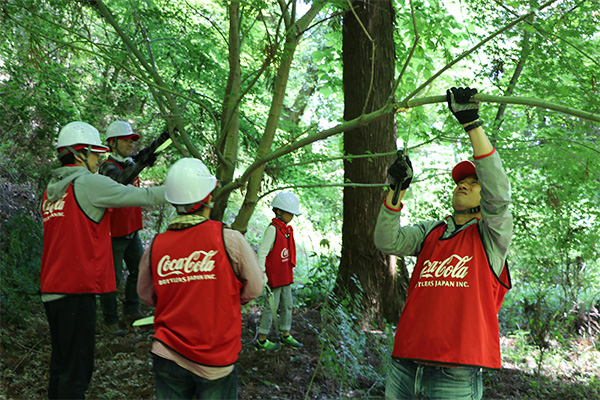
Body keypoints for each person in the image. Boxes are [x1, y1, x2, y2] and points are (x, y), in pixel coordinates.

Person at [374, 87, 513, 400]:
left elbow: (500, 196)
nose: (463, 184)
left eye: (473, 183)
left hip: (457, 371)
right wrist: (395, 190)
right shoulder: (431, 232)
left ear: (483, 195)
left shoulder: (491, 237)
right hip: (405, 363)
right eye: (461, 182)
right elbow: (387, 240)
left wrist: (471, 124)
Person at [40, 121, 168, 399]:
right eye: (95, 154)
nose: (99, 160)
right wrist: (183, 189)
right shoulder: (87, 182)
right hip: (75, 289)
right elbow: (140, 195)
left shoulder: (52, 191)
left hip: (52, 290)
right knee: (77, 371)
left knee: (61, 364)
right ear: (78, 153)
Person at [137, 158, 263, 400]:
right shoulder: (230, 239)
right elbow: (254, 288)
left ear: (173, 201)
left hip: (167, 352)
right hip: (215, 357)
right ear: (207, 198)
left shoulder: (157, 245)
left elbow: (146, 294)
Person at [98, 120, 169, 333]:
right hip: (113, 234)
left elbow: (146, 153)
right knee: (112, 279)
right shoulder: (107, 167)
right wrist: (141, 163)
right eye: (126, 140)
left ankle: (131, 310)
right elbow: (121, 181)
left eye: (132, 140)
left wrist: (165, 137)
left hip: (131, 231)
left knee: (139, 270)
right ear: (113, 143)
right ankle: (110, 321)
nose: (131, 144)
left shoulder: (128, 161)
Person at [255, 191, 304, 350]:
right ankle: (262, 339)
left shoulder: (286, 230)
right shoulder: (273, 229)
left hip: (285, 276)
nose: (292, 217)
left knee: (288, 305)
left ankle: (285, 333)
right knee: (271, 307)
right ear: (279, 211)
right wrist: (262, 273)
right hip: (274, 277)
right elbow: (262, 252)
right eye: (290, 213)